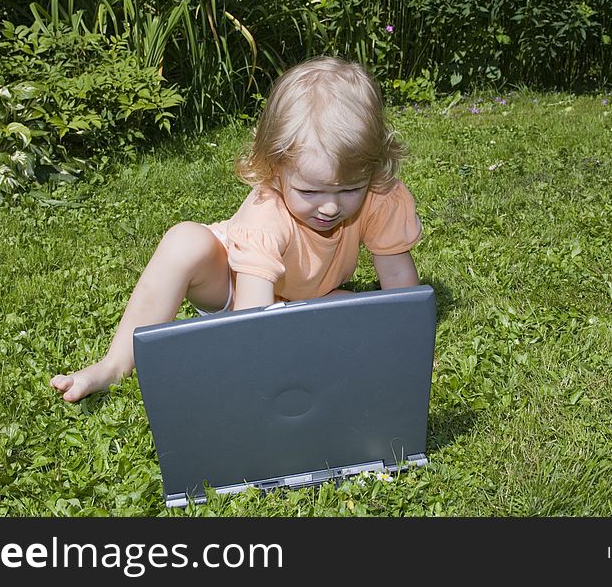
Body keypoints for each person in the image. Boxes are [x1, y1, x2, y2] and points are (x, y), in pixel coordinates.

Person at [50, 56, 423, 402]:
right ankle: (114, 365)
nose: (330, 206)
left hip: (301, 299)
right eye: (310, 191)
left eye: (349, 190)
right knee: (185, 242)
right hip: (234, 288)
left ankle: (302, 321)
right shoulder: (266, 214)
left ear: (372, 169)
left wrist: (407, 350)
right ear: (275, 169)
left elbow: (398, 283)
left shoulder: (380, 195)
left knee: (370, 314)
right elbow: (250, 323)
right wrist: (258, 376)